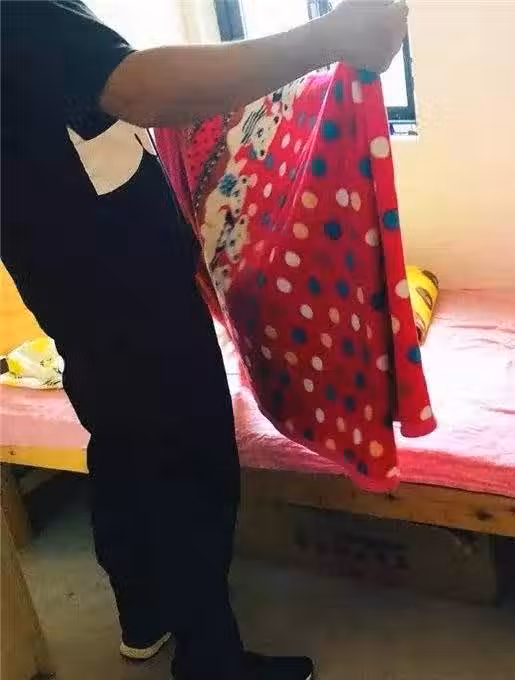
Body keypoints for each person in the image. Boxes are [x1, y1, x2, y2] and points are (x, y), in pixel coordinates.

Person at [0, 1, 409, 678]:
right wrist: (329, 36)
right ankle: (212, 659)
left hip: (75, 278)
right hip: (121, 285)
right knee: (187, 459)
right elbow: (140, 87)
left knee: (125, 446)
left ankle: (146, 611)